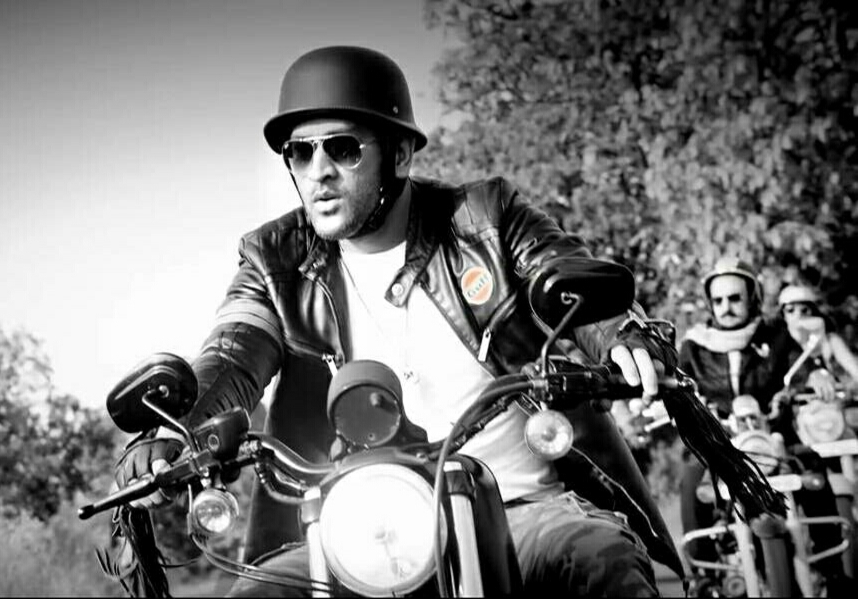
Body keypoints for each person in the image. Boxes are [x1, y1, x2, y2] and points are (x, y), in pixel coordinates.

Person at [115, 45, 687, 597]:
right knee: (255, 597)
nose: (318, 172)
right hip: (358, 530)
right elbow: (232, 354)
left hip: (520, 512)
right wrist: (176, 428)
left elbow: (558, 272)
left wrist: (620, 334)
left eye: (342, 148)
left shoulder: (485, 219)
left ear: (401, 154)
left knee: (597, 557)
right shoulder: (273, 260)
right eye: (300, 153)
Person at [676, 260, 847, 589]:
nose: (726, 306)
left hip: (772, 435)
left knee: (812, 470)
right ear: (710, 303)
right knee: (691, 479)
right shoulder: (694, 346)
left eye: (735, 298)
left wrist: (816, 374)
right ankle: (705, 577)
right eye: (718, 300)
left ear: (752, 298)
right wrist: (660, 397)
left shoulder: (776, 336)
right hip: (719, 438)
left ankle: (833, 569)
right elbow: (677, 381)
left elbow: (800, 364)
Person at [776, 283, 858, 386]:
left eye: (804, 310)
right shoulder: (780, 343)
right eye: (790, 310)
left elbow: (854, 371)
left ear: (812, 312)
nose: (798, 315)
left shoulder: (830, 341)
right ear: (783, 315)